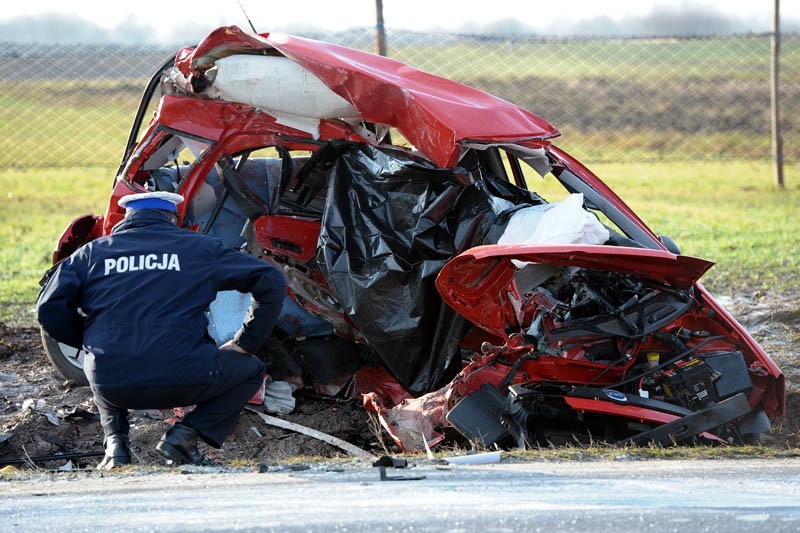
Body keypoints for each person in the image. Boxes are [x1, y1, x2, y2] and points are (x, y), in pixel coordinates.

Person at [36, 191, 286, 469]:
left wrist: (86, 340)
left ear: (127, 218)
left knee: (106, 359)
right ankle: (182, 436)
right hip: (187, 379)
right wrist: (245, 342)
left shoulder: (91, 254)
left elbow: (48, 307)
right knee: (250, 369)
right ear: (172, 217)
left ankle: (116, 447)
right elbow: (271, 278)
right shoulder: (200, 249)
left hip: (114, 387)